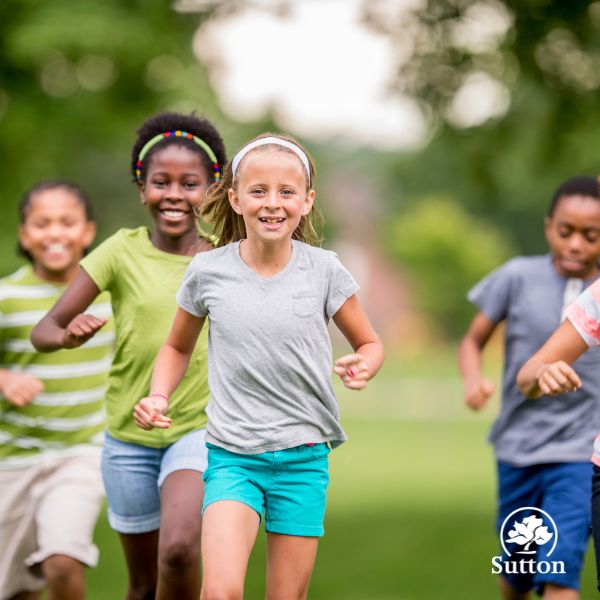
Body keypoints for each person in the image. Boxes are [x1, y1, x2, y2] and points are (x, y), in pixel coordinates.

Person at [133, 133, 385, 600]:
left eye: (287, 192)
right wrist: (157, 395)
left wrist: (364, 363)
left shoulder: (325, 270)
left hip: (304, 458)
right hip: (233, 456)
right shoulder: (208, 271)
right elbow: (176, 347)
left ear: (307, 202)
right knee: (221, 592)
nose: (273, 203)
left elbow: (369, 341)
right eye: (258, 191)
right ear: (235, 198)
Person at [30, 113, 227, 600]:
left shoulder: (227, 258)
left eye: (190, 183)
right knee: (141, 585)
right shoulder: (120, 251)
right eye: (161, 182)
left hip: (198, 427)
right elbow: (44, 329)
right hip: (128, 436)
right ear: (143, 190)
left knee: (179, 551)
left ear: (213, 189)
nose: (175, 195)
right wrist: (67, 336)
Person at [457, 176, 600, 600]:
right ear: (547, 227)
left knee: (558, 572)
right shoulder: (517, 277)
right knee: (516, 576)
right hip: (517, 449)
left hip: (579, 452)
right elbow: (471, 340)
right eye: (565, 232)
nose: (576, 244)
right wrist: (473, 380)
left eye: (590, 236)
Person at [0, 181, 113, 600]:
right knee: (16, 591)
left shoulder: (108, 295)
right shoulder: (7, 296)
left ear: (87, 232)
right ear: (25, 235)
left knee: (63, 560)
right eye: (42, 223)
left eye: (67, 222)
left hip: (82, 455)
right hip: (13, 461)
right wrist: (6, 379)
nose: (55, 233)